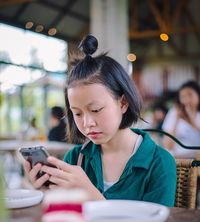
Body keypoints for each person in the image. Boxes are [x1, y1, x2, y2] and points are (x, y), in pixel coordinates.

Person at [23, 35, 176, 207]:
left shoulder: (160, 163)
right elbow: (69, 220)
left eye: (96, 110)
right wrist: (48, 195)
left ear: (123, 103)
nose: (87, 123)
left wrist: (92, 195)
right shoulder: (74, 159)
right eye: (77, 114)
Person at [162, 80, 200, 158]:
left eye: (190, 95)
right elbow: (167, 146)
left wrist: (191, 123)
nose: (187, 99)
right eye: (183, 96)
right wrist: (176, 119)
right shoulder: (174, 112)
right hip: (178, 160)